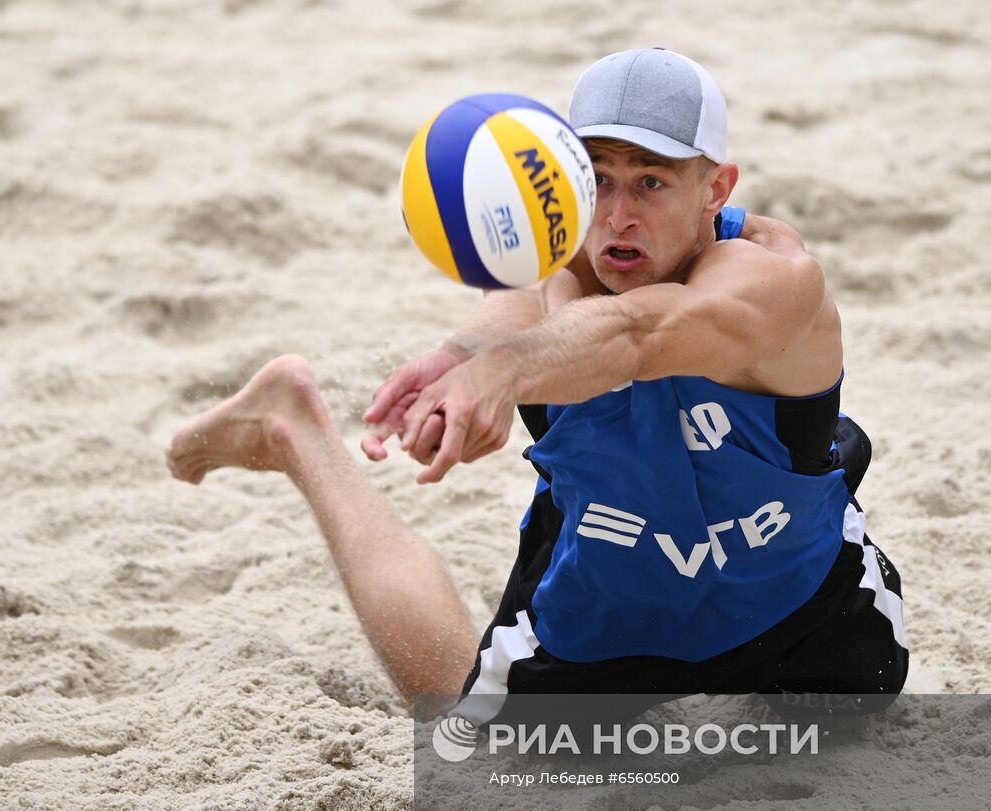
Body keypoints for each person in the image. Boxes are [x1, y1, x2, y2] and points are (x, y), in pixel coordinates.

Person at [166, 48, 908, 720]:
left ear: (715, 186)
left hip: (804, 607)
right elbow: (513, 314)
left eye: (651, 181)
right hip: (604, 615)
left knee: (843, 733)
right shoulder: (554, 278)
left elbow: (645, 332)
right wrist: (456, 361)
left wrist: (500, 371)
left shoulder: (777, 280)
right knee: (456, 737)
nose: (619, 216)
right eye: (600, 180)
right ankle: (293, 431)